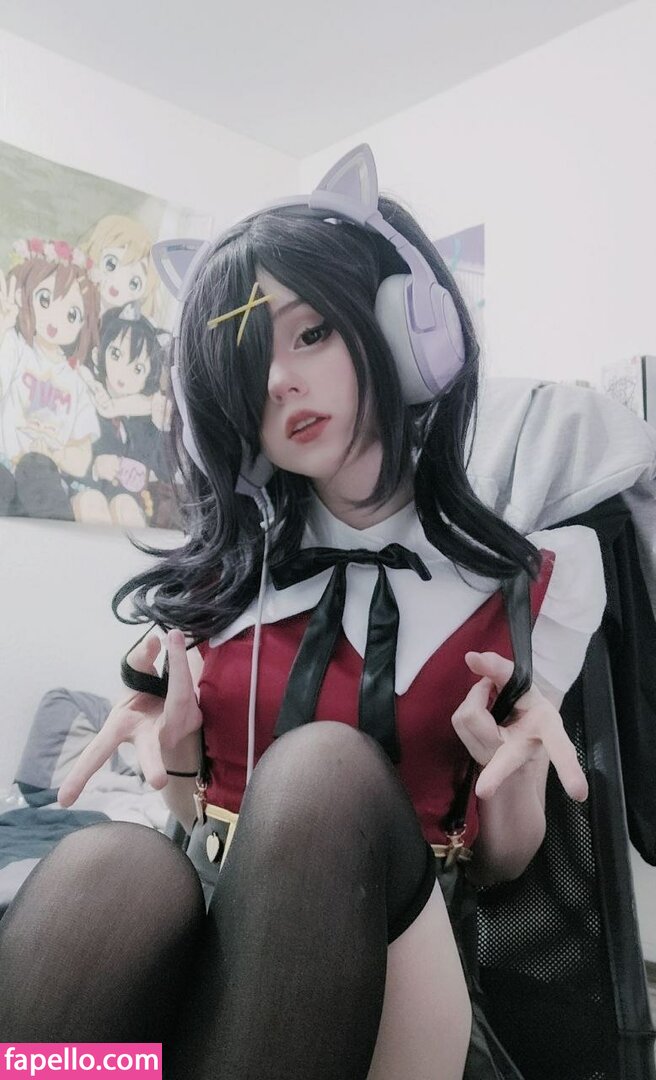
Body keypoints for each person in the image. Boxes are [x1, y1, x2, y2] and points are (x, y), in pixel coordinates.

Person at [0, 145, 606, 1080]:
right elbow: (190, 815)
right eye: (251, 363)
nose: (279, 379)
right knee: (109, 866)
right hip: (214, 967)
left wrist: (512, 779)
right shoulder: (220, 582)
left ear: (402, 332)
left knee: (323, 771)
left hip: (401, 971)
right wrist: (178, 765)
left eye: (313, 332)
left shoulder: (529, 585)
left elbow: (501, 870)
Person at [0, 238, 100, 520]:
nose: (55, 318)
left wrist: (53, 455)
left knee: (37, 469)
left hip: (46, 481)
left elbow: (81, 460)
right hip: (4, 470)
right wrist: (3, 327)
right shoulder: (15, 347)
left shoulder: (77, 382)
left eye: (72, 313)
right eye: (45, 299)